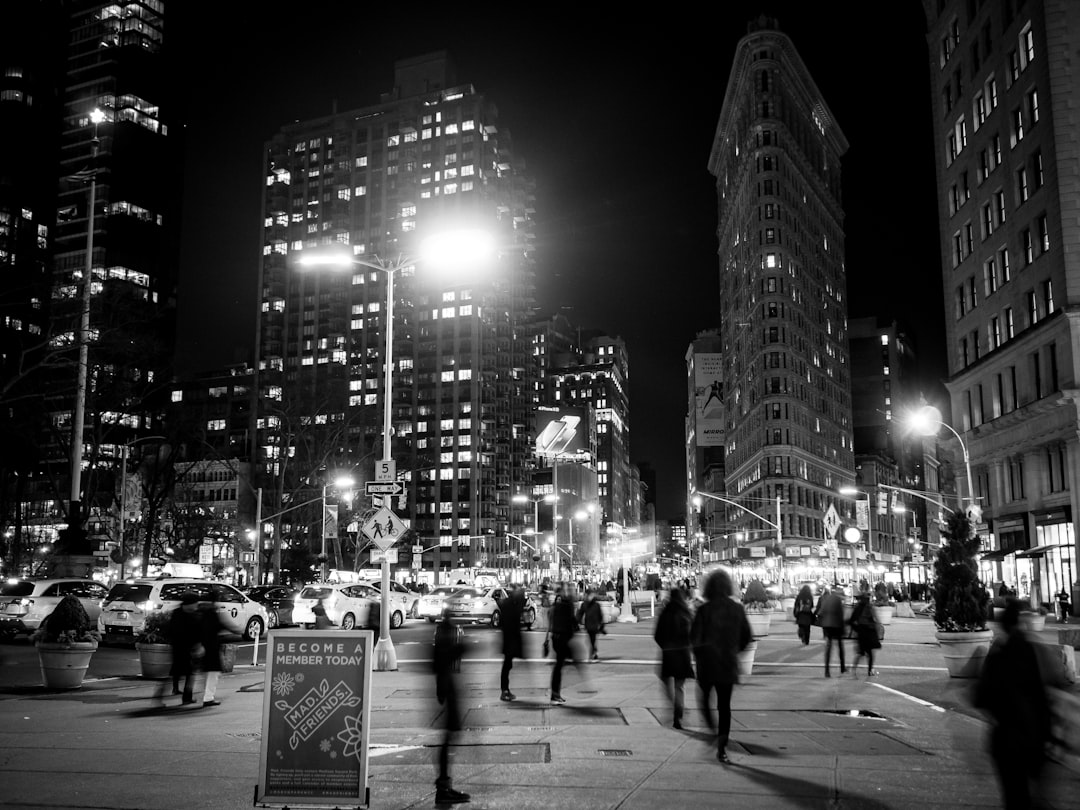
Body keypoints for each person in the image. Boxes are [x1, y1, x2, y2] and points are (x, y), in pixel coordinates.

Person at [975, 598, 1052, 810]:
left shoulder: (997, 653)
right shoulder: (1030, 650)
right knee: (1031, 793)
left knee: (1013, 795)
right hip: (1031, 732)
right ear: (1020, 623)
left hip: (1005, 737)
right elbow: (1042, 693)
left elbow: (981, 696)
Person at [691, 569, 752, 764]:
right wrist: (733, 650)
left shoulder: (703, 610)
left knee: (704, 700)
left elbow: (694, 638)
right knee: (724, 707)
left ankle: (712, 730)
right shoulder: (737, 609)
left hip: (707, 664)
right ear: (728, 586)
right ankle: (722, 747)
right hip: (727, 664)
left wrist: (700, 653)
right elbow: (746, 637)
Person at [432, 610, 469, 804]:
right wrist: (462, 648)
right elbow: (444, 658)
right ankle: (443, 788)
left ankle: (444, 785)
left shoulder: (442, 633)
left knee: (450, 735)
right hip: (447, 686)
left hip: (445, 685)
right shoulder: (445, 634)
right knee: (449, 735)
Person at [654, 587, 694, 729]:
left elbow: (657, 635)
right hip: (683, 654)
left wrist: (665, 646)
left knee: (665, 683)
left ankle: (674, 706)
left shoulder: (665, 612)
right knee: (679, 687)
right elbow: (693, 634)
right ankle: (678, 714)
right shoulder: (686, 612)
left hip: (669, 654)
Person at [159, 591, 202, 705]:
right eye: (195, 604)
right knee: (178, 673)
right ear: (189, 604)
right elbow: (174, 631)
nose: (196, 606)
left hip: (187, 650)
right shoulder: (179, 614)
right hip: (180, 649)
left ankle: (186, 697)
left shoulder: (190, 614)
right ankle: (161, 698)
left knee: (188, 674)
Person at [548, 585, 581, 703]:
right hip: (562, 639)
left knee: (559, 665)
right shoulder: (567, 606)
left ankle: (555, 693)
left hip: (556, 638)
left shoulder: (556, 606)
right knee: (559, 666)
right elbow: (572, 622)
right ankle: (555, 694)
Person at [498, 584, 525, 701]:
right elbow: (510, 622)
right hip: (510, 639)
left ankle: (505, 690)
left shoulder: (511, 603)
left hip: (510, 639)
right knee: (507, 665)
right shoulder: (510, 604)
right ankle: (504, 690)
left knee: (508, 665)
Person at [814, 584, 847, 677]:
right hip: (836, 625)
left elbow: (821, 611)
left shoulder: (827, 598)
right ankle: (842, 667)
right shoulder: (837, 600)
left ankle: (827, 670)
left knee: (828, 647)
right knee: (840, 646)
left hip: (827, 625)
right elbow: (840, 614)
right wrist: (843, 627)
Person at [198, 599, 226, 707]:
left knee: (208, 673)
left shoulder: (201, 613)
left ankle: (206, 695)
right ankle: (208, 697)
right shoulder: (211, 614)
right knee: (213, 673)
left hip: (205, 647)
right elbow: (217, 627)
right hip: (211, 648)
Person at [848, 588, 881, 678]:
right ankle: (870, 671)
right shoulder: (870, 607)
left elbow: (851, 620)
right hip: (870, 633)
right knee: (870, 653)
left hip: (862, 632)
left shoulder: (858, 608)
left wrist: (857, 629)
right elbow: (876, 620)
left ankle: (853, 670)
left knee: (861, 652)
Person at [576, 589, 605, 662]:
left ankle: (592, 654)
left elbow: (600, 616)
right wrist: (578, 622)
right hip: (588, 625)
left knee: (592, 639)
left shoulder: (596, 605)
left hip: (595, 625)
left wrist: (601, 624)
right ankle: (593, 653)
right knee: (591, 640)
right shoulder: (584, 604)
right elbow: (580, 613)